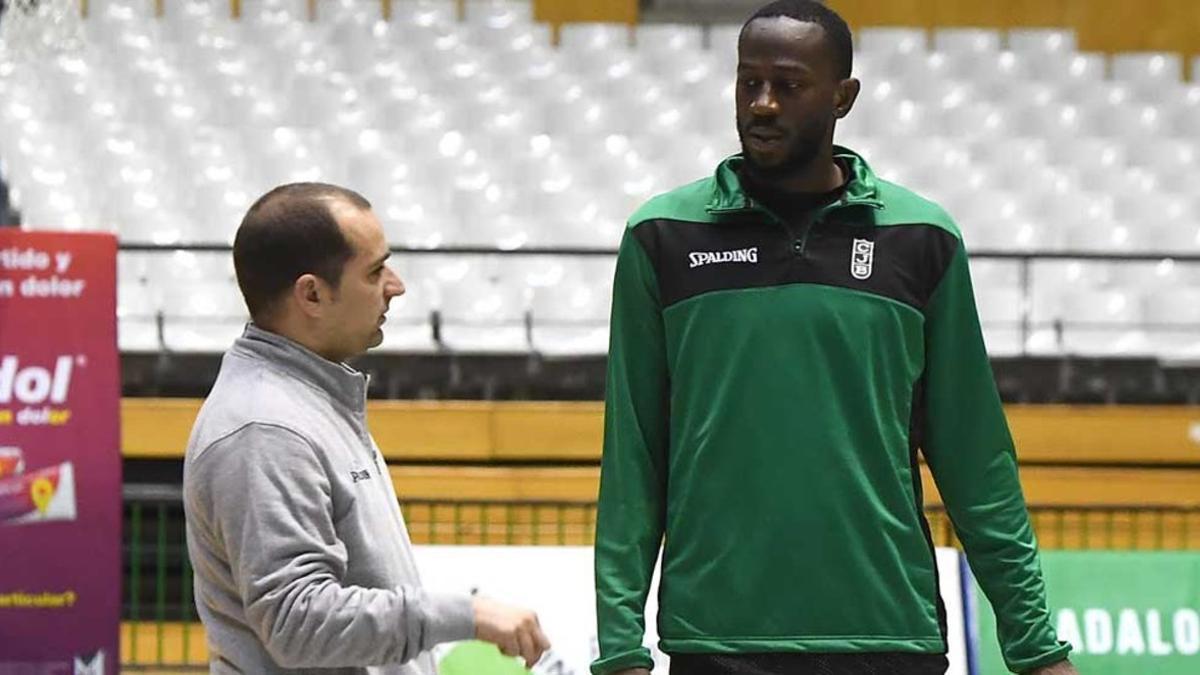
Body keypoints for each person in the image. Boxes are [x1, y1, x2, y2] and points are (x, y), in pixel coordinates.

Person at [592, 2, 1078, 674]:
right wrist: (620, 646)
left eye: (788, 85)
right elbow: (633, 459)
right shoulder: (661, 237)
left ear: (843, 97)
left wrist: (1033, 645)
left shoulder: (924, 239)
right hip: (718, 644)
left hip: (889, 637)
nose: (762, 104)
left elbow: (977, 463)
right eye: (748, 82)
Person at [183, 182, 550, 673]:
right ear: (311, 294)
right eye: (375, 271)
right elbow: (299, 623)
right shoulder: (265, 428)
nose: (396, 286)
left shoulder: (306, 401)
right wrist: (467, 615)